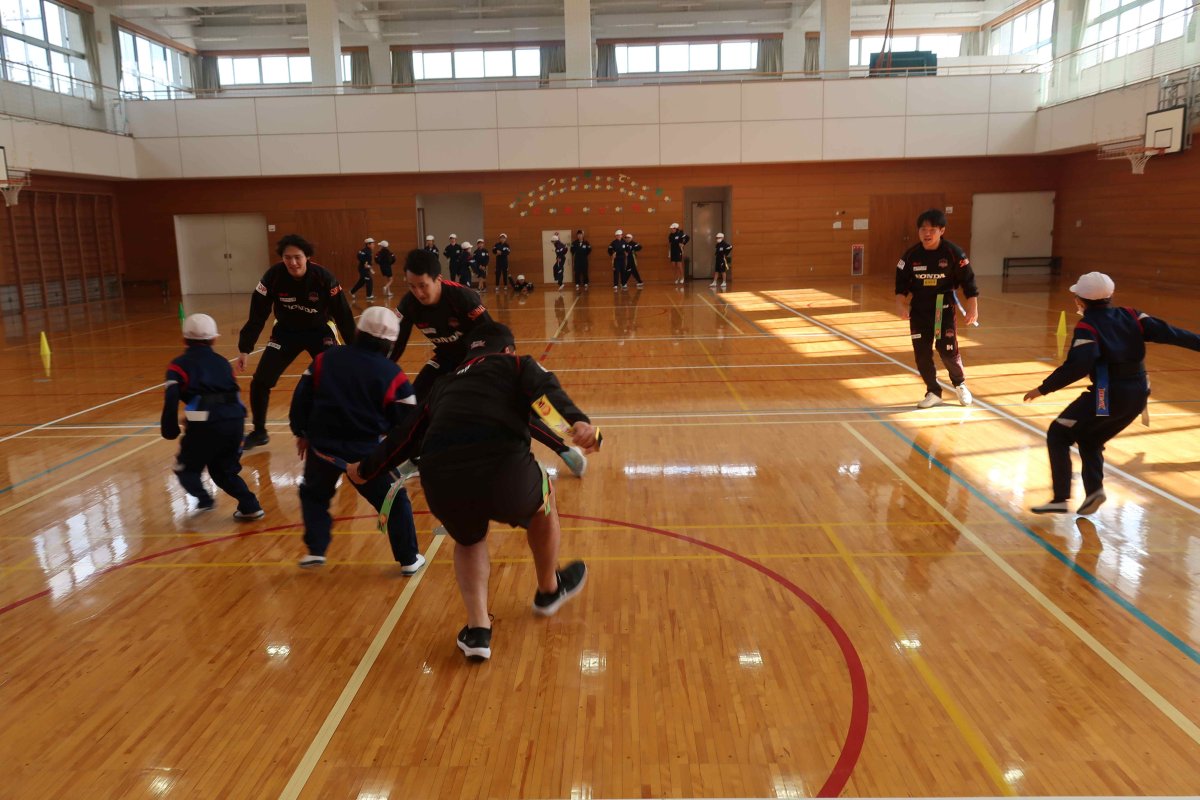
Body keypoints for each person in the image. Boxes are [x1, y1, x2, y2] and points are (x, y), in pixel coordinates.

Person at [349, 322, 598, 661]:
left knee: (468, 540)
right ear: (507, 350)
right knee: (545, 497)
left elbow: (405, 436)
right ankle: (549, 589)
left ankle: (478, 629)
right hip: (504, 473)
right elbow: (545, 391)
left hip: (441, 481)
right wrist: (577, 421)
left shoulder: (444, 384)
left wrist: (364, 470)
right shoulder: (516, 364)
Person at [393, 249, 586, 476]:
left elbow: (494, 335)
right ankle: (417, 457)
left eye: (423, 285)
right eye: (412, 286)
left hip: (480, 359)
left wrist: (503, 370)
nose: (418, 292)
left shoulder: (463, 298)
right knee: (415, 401)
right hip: (446, 358)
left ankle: (564, 450)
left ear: (438, 279)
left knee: (507, 406)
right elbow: (397, 345)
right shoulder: (409, 304)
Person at [1023, 272, 1200, 515]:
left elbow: (1078, 366)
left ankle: (1061, 498)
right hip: (1139, 392)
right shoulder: (1132, 315)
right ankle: (1094, 491)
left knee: (1058, 433)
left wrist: (1043, 388)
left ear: (1079, 300)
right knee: (1090, 438)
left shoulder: (1087, 326)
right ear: (1110, 295)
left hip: (1107, 394)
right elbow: (1173, 333)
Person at [289, 306, 424, 571]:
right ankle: (409, 558)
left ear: (359, 331)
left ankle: (316, 551)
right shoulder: (392, 374)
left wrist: (301, 432)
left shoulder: (324, 359)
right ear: (391, 342)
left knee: (314, 495)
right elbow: (407, 423)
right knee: (394, 500)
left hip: (322, 449)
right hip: (366, 455)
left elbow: (302, 397)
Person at [237, 234, 356, 449]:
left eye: (297, 257)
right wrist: (245, 348)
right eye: (287, 258)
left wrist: (357, 350)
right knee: (261, 381)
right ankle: (259, 431)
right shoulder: (273, 277)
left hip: (320, 331)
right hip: (285, 333)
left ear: (307, 257)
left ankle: (344, 427)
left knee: (336, 378)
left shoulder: (324, 278)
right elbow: (257, 314)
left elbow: (344, 316)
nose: (293, 262)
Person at [162, 313, 264, 520]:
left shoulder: (177, 365)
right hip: (236, 420)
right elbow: (229, 395)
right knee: (224, 471)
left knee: (185, 468)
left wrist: (170, 428)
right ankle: (250, 506)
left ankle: (204, 500)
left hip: (205, 422)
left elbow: (172, 398)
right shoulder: (223, 363)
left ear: (184, 339)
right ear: (214, 339)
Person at [894, 209, 978, 409]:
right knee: (922, 354)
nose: (927, 233)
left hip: (943, 307)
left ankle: (959, 384)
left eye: (932, 229)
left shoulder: (954, 253)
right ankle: (933, 391)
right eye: (923, 229)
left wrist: (972, 307)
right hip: (919, 310)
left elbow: (968, 281)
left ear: (942, 231)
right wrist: (900, 304)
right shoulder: (910, 256)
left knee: (946, 350)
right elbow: (900, 284)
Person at [350, 237, 375, 303]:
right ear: (368, 244)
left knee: (362, 282)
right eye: (372, 244)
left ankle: (352, 291)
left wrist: (370, 268)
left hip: (366, 269)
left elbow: (368, 261)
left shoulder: (369, 251)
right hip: (362, 269)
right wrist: (364, 262)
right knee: (369, 280)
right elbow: (359, 256)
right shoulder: (364, 250)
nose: (373, 245)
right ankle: (368, 296)